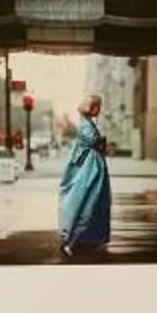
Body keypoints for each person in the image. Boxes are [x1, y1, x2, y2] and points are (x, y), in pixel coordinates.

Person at [58, 94, 112, 260]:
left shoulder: (86, 124)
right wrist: (102, 142)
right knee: (87, 203)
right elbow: (95, 142)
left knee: (93, 204)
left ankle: (86, 240)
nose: (99, 110)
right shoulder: (86, 126)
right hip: (91, 170)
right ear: (91, 107)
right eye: (97, 106)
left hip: (92, 167)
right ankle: (71, 242)